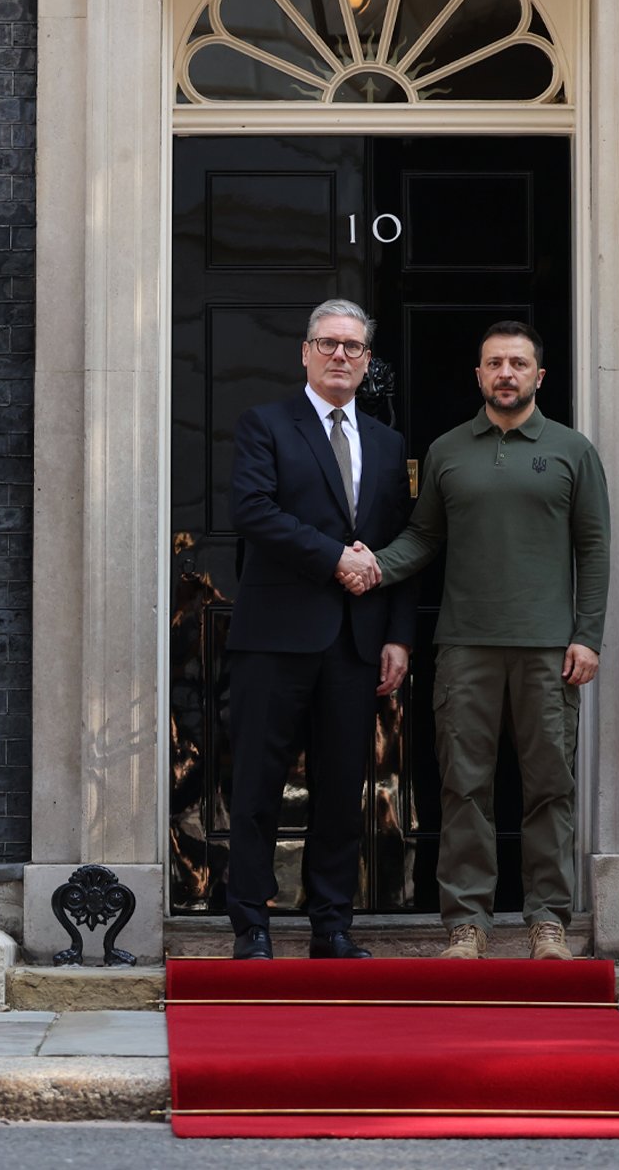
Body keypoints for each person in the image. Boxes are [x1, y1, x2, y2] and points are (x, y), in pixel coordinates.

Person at [339, 322, 610, 961]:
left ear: (540, 376)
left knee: (550, 786)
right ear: (479, 376)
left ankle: (548, 922)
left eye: (519, 363)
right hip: (465, 647)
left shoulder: (574, 451)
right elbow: (425, 537)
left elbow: (593, 549)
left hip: (548, 649)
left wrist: (587, 636)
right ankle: (467, 924)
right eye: (495, 364)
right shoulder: (448, 451)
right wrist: (371, 562)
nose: (506, 374)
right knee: (464, 787)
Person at [226, 299, 416, 960]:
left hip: (356, 642)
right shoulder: (266, 425)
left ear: (367, 362)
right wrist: (333, 556)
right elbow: (253, 511)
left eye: (353, 347)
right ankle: (251, 924)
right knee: (256, 787)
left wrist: (398, 635)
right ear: (305, 352)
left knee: (341, 790)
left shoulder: (390, 444)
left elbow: (398, 544)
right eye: (328, 343)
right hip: (274, 638)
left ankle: (331, 925)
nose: (341, 355)